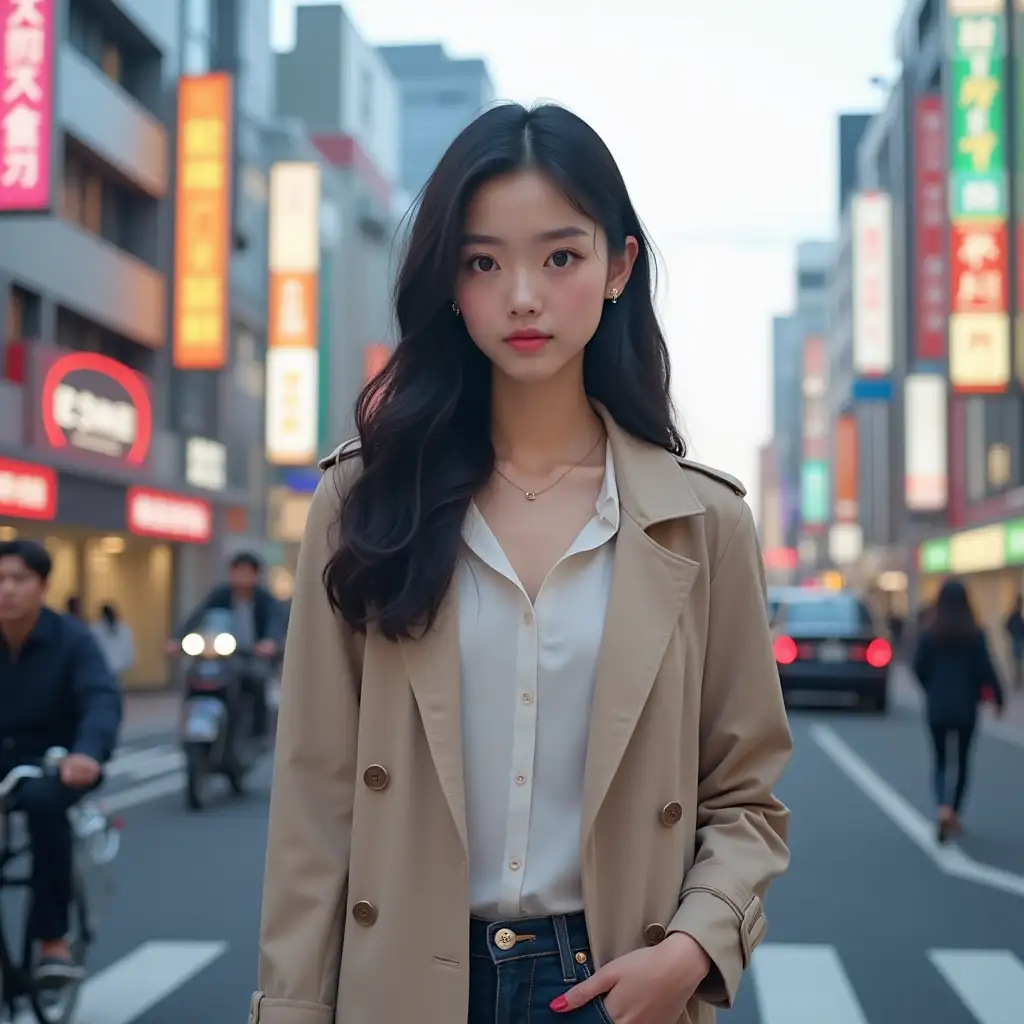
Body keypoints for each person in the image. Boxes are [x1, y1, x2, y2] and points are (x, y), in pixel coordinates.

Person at [252, 102, 792, 1024]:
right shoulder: (366, 503)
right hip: (407, 986)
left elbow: (744, 797)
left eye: (561, 256)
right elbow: (314, 802)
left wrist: (695, 945)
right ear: (450, 285)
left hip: (616, 981)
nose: (524, 296)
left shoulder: (700, 523)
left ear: (619, 266)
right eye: (483, 262)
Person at [0, 540, 122, 984]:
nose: (7, 590)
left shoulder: (72, 640)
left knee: (43, 807)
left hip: (56, 761)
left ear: (43, 586)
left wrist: (87, 751)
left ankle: (52, 941)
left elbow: (100, 698)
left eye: (18, 579)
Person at [913, 579, 1005, 843]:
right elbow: (986, 669)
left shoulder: (929, 634)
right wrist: (998, 698)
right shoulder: (975, 634)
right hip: (966, 706)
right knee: (963, 759)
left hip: (938, 706)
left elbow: (918, 667)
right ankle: (954, 809)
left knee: (941, 759)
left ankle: (942, 806)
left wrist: (930, 688)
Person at [172, 552, 282, 738]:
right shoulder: (220, 595)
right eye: (237, 572)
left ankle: (258, 733)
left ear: (256, 576)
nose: (241, 578)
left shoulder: (265, 600)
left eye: (246, 573)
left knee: (256, 684)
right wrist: (176, 639)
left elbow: (275, 624)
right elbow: (196, 617)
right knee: (194, 675)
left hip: (251, 658)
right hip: (221, 657)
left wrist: (270, 643)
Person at [91, 603, 136, 685]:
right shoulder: (97, 629)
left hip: (112, 665)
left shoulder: (122, 629)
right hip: (112, 665)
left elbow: (127, 646)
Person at [1003, 594, 1024, 691]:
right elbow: (1007, 626)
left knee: (1018, 662)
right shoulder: (1015, 615)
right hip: (1017, 640)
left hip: (1018, 639)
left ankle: (1018, 681)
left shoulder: (1017, 615)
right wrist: (1012, 634)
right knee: (1017, 662)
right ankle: (1017, 681)